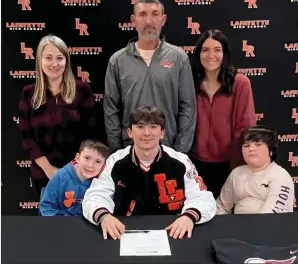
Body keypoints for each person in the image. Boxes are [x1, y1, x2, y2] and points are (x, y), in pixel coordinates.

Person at [83, 106, 216, 240]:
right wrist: (104, 217)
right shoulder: (115, 161)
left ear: (162, 132)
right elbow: (95, 195)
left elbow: (202, 197)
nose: (146, 133)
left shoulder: (181, 161)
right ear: (129, 132)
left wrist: (189, 216)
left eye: (153, 127)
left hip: (173, 231)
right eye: (140, 127)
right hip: (123, 232)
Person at [103, 0, 196, 154]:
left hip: (169, 149)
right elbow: (111, 109)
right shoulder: (117, 61)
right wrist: (118, 150)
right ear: (133, 20)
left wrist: (180, 151)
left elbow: (188, 107)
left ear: (163, 19)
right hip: (129, 150)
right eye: (142, 14)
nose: (148, 21)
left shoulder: (179, 57)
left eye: (154, 14)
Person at [18, 34, 97, 197]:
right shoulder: (29, 93)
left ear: (66, 61)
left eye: (59, 58)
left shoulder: (82, 90)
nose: (54, 64)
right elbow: (27, 138)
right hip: (44, 175)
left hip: (80, 173)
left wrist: (74, 169)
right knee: (48, 221)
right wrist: (49, 170)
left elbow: (92, 134)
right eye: (48, 58)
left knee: (79, 221)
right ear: (40, 60)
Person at [189, 29, 256, 199]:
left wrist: (237, 166)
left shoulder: (240, 83)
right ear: (198, 53)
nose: (211, 55)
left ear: (224, 53)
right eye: (205, 50)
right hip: (195, 163)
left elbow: (245, 127)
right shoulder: (189, 83)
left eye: (217, 49)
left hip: (229, 165)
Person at [216, 125, 295, 214]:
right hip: (236, 226)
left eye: (258, 144)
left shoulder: (280, 176)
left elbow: (273, 217)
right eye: (246, 145)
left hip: (270, 226)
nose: (251, 149)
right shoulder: (236, 173)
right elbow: (221, 207)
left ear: (271, 151)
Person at [40, 139, 110, 216]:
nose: (90, 165)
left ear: (103, 166)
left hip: (90, 224)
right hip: (61, 223)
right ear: (77, 158)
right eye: (87, 158)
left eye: (98, 161)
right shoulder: (60, 176)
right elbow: (47, 206)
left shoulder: (103, 183)